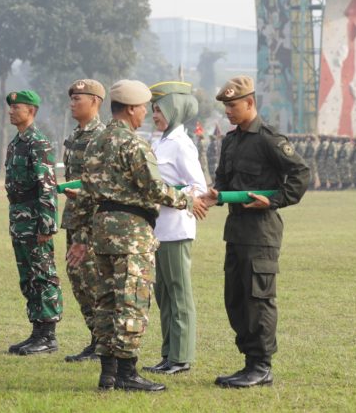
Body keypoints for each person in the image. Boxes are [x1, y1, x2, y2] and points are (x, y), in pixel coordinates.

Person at [69, 80, 208, 392]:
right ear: (131, 108)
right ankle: (127, 373)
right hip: (131, 232)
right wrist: (187, 200)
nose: (146, 113)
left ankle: (108, 372)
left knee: (106, 301)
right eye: (144, 107)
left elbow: (85, 190)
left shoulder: (96, 141)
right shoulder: (132, 144)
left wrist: (80, 234)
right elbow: (154, 187)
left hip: (102, 231)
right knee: (132, 301)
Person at [206, 76, 310, 389]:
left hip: (261, 232)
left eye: (233, 105)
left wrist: (275, 199)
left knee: (258, 298)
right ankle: (249, 362)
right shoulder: (231, 140)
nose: (228, 111)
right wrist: (215, 193)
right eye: (225, 106)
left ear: (250, 103)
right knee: (235, 298)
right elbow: (224, 180)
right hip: (236, 229)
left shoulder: (268, 138)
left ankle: (262, 365)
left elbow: (300, 173)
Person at [144, 81, 207, 376]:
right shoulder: (160, 141)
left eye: (158, 110)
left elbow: (199, 187)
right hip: (158, 230)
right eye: (153, 109)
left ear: (174, 110)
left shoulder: (182, 144)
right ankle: (168, 353)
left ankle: (181, 358)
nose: (153, 115)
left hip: (177, 229)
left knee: (179, 294)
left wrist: (170, 191)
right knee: (164, 296)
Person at [4, 90, 62, 355]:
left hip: (35, 216)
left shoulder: (37, 142)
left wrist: (46, 225)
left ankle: (48, 335)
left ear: (32, 111)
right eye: (11, 107)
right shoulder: (16, 142)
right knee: (27, 276)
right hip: (19, 216)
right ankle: (36, 331)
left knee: (43, 275)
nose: (12, 111)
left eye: (18, 107)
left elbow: (47, 185)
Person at [60, 79, 107, 362]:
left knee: (93, 280)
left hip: (93, 220)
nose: (73, 102)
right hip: (74, 217)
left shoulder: (100, 137)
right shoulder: (76, 135)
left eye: (79, 98)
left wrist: (86, 230)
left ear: (95, 102)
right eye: (72, 97)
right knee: (78, 279)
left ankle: (104, 342)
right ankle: (96, 338)